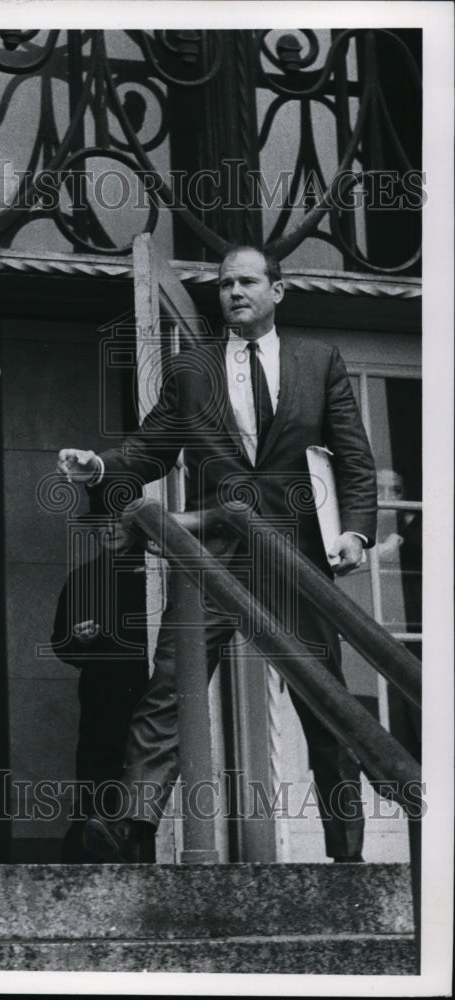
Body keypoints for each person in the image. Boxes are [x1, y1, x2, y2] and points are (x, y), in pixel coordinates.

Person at [56, 245, 377, 863]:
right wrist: (100, 465)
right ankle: (133, 833)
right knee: (168, 689)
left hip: (296, 557)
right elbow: (149, 448)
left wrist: (355, 532)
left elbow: (356, 460)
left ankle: (347, 852)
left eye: (248, 281)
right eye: (225, 283)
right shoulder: (193, 371)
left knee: (325, 699)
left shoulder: (320, 362)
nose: (234, 292)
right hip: (211, 556)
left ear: (276, 291)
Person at [50, 503, 151, 862]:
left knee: (144, 768)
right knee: (97, 769)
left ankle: (140, 851)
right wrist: (79, 638)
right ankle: (88, 855)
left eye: (118, 521)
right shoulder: (84, 578)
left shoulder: (156, 575)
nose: (108, 529)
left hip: (151, 693)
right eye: (100, 523)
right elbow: (60, 643)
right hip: (101, 695)